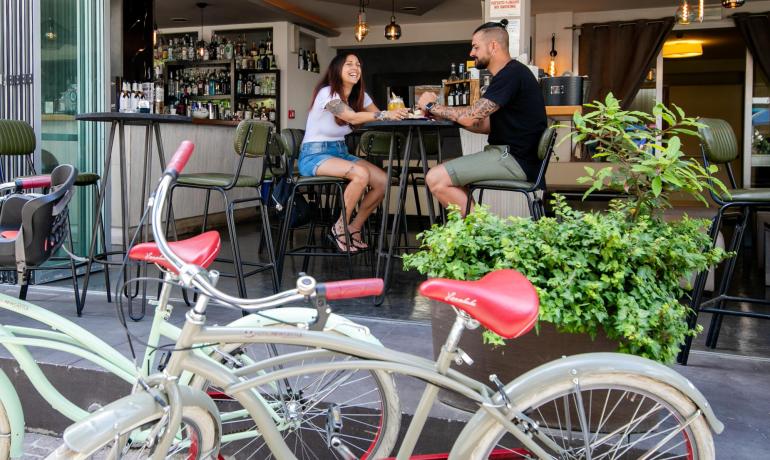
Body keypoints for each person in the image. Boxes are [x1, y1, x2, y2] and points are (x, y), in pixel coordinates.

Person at [417, 19, 547, 215]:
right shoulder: (511, 74)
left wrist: (430, 105)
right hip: (514, 156)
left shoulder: (510, 74)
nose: (471, 53)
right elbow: (483, 124)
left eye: (475, 47)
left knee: (435, 178)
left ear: (493, 46)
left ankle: (484, 236)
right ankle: (475, 237)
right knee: (451, 178)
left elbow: (471, 117)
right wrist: (448, 115)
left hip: (513, 158)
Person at [300, 53, 408, 253]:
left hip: (340, 152)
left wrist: (406, 113)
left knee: (383, 181)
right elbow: (351, 116)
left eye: (358, 64)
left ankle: (354, 228)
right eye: (349, 64)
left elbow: (382, 116)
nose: (355, 68)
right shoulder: (327, 93)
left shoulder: (360, 95)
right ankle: (338, 227)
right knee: (361, 174)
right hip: (315, 154)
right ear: (336, 70)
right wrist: (384, 114)